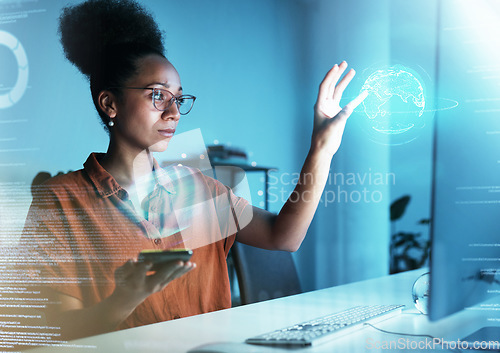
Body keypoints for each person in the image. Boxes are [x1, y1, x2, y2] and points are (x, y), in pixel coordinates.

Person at [21, 0, 367, 341]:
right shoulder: (59, 202)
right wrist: (124, 298)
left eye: (179, 98)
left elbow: (285, 236)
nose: (173, 112)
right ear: (109, 103)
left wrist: (321, 147)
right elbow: (53, 332)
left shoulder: (196, 188)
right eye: (157, 95)